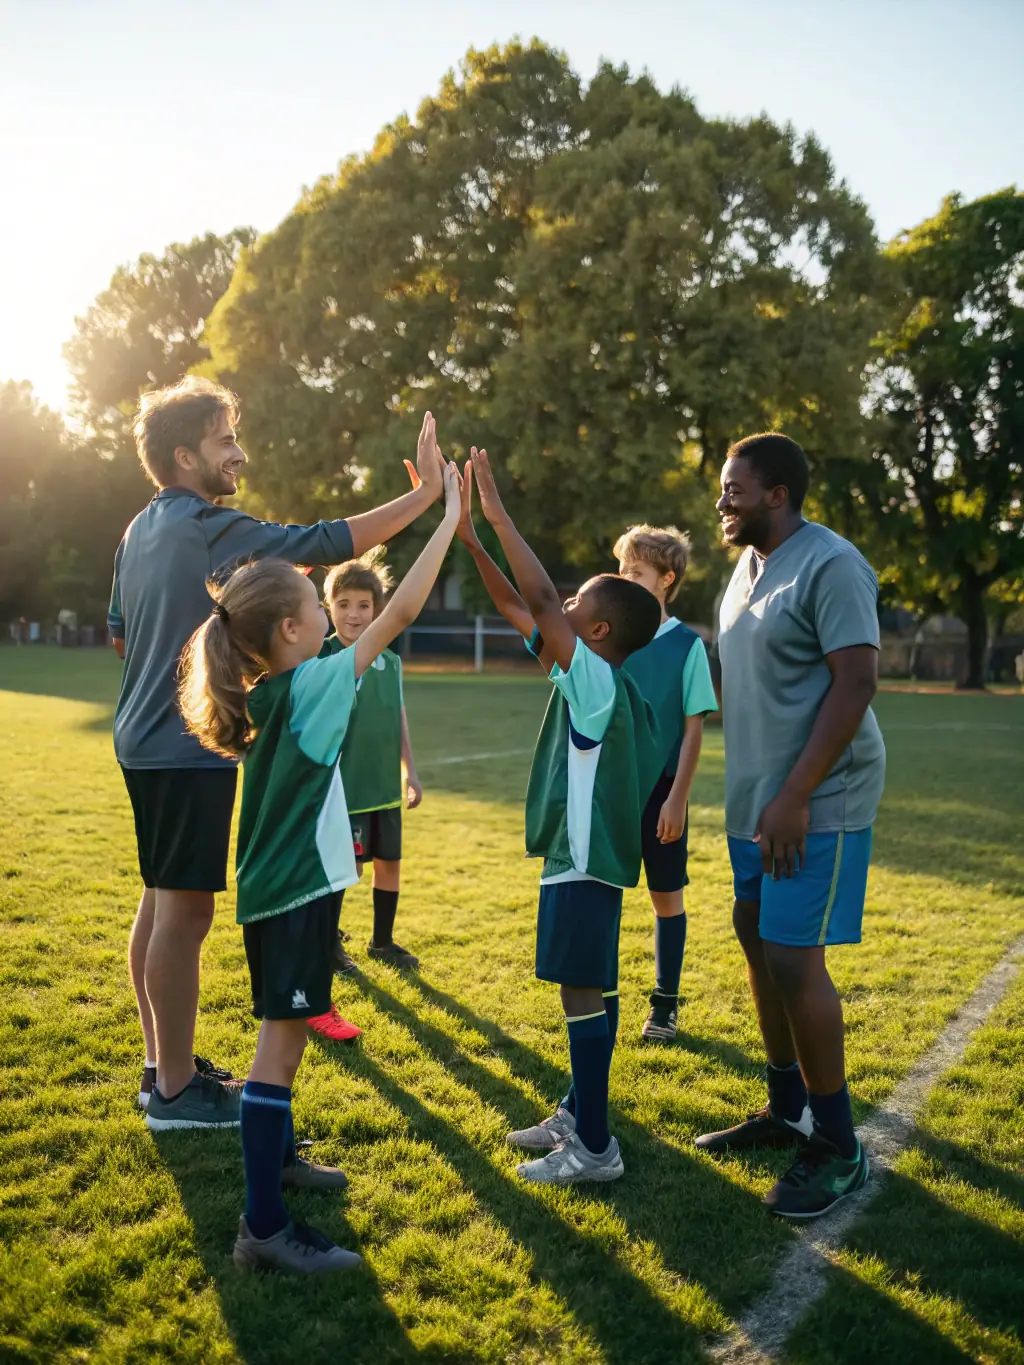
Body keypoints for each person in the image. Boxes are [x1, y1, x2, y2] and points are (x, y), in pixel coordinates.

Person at [108, 375, 447, 1128]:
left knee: (161, 900)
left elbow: (119, 631)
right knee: (186, 913)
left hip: (141, 739)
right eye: (226, 440)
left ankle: (163, 1064)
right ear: (182, 453)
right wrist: (425, 498)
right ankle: (172, 1091)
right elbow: (323, 543)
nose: (240, 454)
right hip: (179, 748)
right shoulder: (203, 525)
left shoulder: (140, 527)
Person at [174, 458, 463, 1273]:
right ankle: (263, 1228)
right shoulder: (316, 687)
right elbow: (401, 610)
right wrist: (446, 519)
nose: (330, 620)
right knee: (281, 1046)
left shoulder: (269, 690)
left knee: (287, 1039)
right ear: (296, 633)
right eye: (316, 608)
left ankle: (284, 1156)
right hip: (293, 894)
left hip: (279, 890)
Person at [457, 448, 662, 1185]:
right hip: (583, 857)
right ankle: (580, 1108)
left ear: (599, 634)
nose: (562, 611)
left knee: (579, 989)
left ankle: (596, 1147)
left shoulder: (597, 682)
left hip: (582, 859)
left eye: (578, 609)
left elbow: (538, 599)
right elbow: (522, 607)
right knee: (595, 984)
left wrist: (495, 507)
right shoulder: (591, 676)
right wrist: (473, 541)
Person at [696, 432, 886, 1221]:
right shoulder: (744, 568)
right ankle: (787, 1108)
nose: (723, 501)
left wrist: (797, 794)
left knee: (791, 956)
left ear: (778, 493)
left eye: (735, 488)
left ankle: (839, 1146)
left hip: (818, 797)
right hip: (756, 798)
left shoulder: (832, 563)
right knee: (754, 935)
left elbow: (858, 681)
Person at [303, 550, 424, 1044]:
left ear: (378, 609)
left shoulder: (390, 660)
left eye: (365, 605)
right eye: (344, 604)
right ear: (329, 607)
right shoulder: (325, 659)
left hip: (383, 789)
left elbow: (397, 717)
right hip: (344, 792)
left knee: (389, 864)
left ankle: (382, 941)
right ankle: (329, 944)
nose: (355, 614)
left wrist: (410, 771)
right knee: (341, 871)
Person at [615, 525, 718, 1042]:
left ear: (666, 579)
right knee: (604, 894)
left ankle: (664, 1004)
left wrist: (677, 798)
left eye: (636, 572)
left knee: (665, 896)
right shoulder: (608, 634)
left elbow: (694, 730)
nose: (625, 579)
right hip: (612, 789)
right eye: (622, 570)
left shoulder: (686, 646)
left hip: (661, 793)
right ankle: (601, 997)